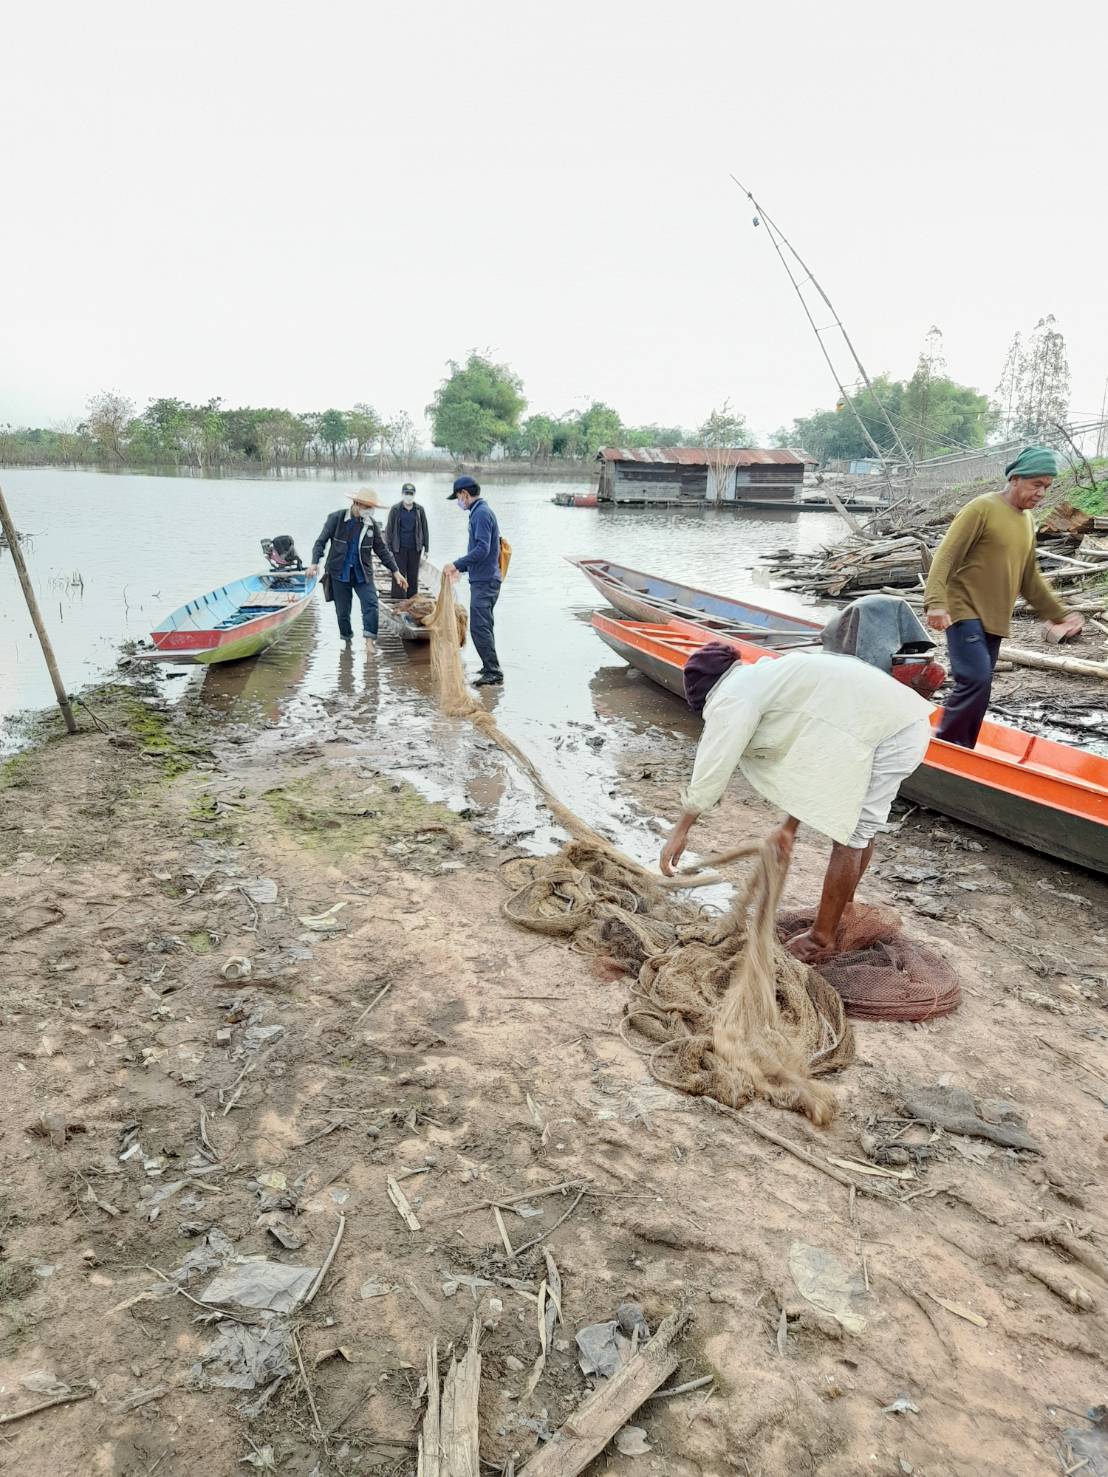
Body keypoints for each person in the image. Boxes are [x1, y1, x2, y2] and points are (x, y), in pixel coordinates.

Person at [659, 630, 943, 964]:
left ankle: (821, 938)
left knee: (852, 836)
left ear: (706, 693)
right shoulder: (764, 676)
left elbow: (713, 764)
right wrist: (788, 827)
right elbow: (813, 767)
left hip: (889, 734)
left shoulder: (733, 695)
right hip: (897, 723)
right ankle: (843, 909)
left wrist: (681, 829)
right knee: (859, 832)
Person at [923, 445, 1083, 748]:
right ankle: (946, 747)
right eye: (1037, 484)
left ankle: (963, 750)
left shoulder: (1026, 522)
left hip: (993, 619)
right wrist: (935, 602)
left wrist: (1058, 614)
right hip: (963, 608)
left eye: (1046, 487)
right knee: (974, 679)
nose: (1041, 493)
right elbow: (945, 556)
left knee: (981, 689)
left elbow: (1029, 577)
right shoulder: (981, 508)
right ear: (1015, 479)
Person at [308, 489, 407, 652]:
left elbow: (381, 550)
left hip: (362, 573)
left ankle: (369, 642)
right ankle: (347, 641)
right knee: (343, 613)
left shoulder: (371, 525)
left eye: (371, 508)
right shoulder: (337, 519)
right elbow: (320, 542)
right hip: (339, 573)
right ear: (356, 504)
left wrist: (395, 571)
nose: (369, 510)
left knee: (371, 604)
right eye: (367, 507)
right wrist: (314, 563)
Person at [442, 476, 503, 687]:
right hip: (484, 578)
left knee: (479, 627)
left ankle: (493, 672)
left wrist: (456, 564)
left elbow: (482, 549)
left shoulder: (481, 514)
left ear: (464, 494)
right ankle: (489, 667)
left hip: (486, 581)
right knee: (484, 625)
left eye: (458, 497)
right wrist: (464, 568)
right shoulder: (479, 512)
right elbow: (482, 552)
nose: (459, 502)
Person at [385, 483, 429, 600]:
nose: (408, 496)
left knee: (413, 576)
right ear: (402, 494)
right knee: (398, 575)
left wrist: (427, 549)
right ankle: (397, 600)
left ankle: (412, 600)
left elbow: (425, 529)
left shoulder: (419, 510)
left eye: (411, 494)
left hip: (415, 548)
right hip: (399, 548)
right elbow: (389, 530)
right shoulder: (395, 509)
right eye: (406, 493)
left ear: (414, 495)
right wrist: (388, 549)